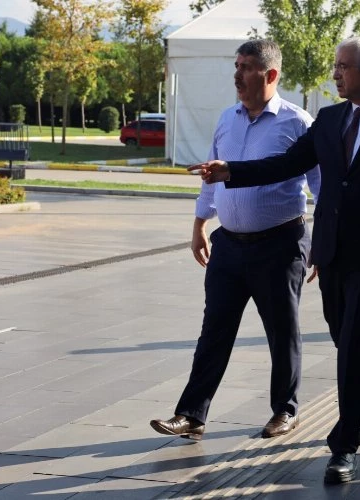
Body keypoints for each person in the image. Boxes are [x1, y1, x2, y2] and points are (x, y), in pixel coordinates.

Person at [189, 37, 360, 484]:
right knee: (343, 335)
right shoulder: (330, 118)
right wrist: (231, 171)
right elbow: (286, 163)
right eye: (335, 65)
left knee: (355, 341)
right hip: (332, 250)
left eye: (342, 67)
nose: (334, 74)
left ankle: (343, 446)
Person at [149, 40, 320, 442]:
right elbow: (211, 177)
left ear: (270, 74)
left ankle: (285, 410)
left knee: (282, 331)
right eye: (236, 65)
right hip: (229, 245)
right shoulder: (228, 118)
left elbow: (321, 186)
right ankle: (191, 415)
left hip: (280, 245)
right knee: (214, 330)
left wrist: (324, 244)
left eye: (246, 67)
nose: (237, 75)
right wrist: (199, 224)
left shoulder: (298, 123)